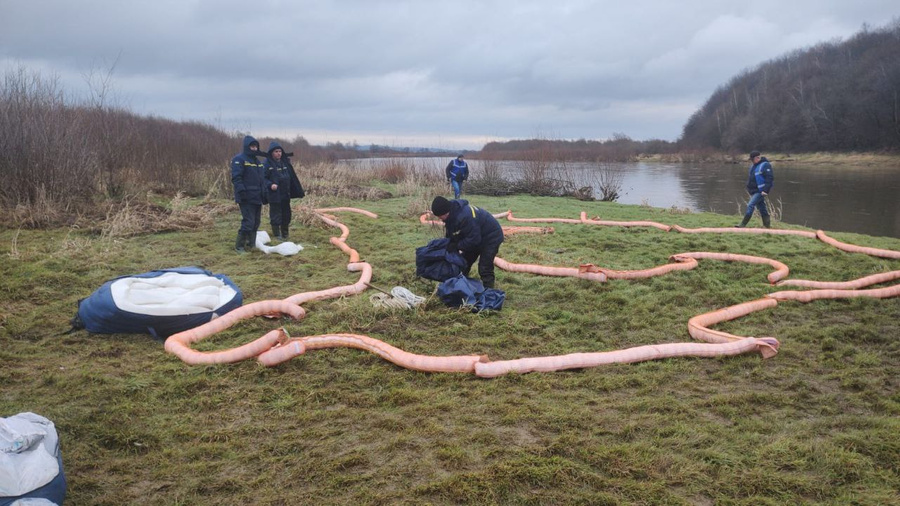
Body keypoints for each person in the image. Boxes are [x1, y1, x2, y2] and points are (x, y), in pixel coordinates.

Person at [431, 196, 504, 289]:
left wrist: (457, 246)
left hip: (491, 237)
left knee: (485, 266)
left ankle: (489, 291)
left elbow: (474, 240)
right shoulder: (451, 215)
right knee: (464, 262)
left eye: (440, 216)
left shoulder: (465, 216)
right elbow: (452, 233)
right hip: (476, 235)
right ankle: (460, 286)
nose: (439, 218)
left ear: (446, 212)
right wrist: (449, 244)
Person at [230, 135, 267, 252]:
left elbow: (262, 180)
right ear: (247, 146)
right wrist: (242, 192)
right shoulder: (239, 159)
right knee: (248, 222)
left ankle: (251, 244)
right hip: (246, 197)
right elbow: (236, 177)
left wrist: (264, 194)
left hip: (257, 197)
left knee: (256, 222)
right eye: (252, 146)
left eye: (256, 146)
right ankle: (239, 246)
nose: (254, 148)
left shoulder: (258, 162)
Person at [263, 141, 305, 240]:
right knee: (276, 215)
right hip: (274, 195)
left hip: (285, 194)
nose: (279, 153)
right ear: (271, 152)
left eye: (280, 151)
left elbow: (291, 176)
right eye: (276, 151)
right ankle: (277, 235)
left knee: (286, 215)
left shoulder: (285, 162)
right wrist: (270, 185)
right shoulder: (266, 164)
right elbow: (262, 179)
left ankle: (285, 234)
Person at [736, 150, 774, 228]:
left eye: (752, 159)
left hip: (760, 191)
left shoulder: (765, 165)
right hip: (754, 191)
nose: (752, 161)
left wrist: (765, 190)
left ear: (757, 158)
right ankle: (767, 226)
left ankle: (743, 224)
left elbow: (769, 178)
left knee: (750, 205)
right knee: (762, 208)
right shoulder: (753, 166)